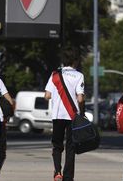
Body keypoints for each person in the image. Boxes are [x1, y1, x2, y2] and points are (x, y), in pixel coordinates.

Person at [44, 48, 85, 181]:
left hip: (57, 115)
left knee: (57, 145)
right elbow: (80, 99)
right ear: (75, 61)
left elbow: (47, 95)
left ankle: (57, 172)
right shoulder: (79, 75)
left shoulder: (55, 74)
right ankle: (68, 177)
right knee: (71, 147)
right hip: (72, 116)